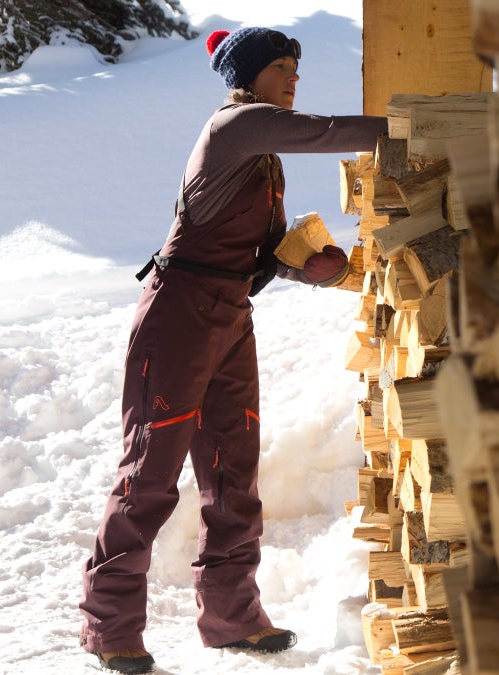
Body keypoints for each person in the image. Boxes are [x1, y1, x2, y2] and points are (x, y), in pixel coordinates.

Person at [78, 26, 387, 674]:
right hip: (177, 318)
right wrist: (405, 127)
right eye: (282, 67)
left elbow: (273, 250)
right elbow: (326, 133)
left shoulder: (265, 156)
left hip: (228, 318)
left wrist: (321, 266)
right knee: (151, 474)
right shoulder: (236, 128)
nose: (293, 78)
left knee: (232, 469)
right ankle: (110, 624)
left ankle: (231, 615)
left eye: (296, 67)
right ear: (251, 77)